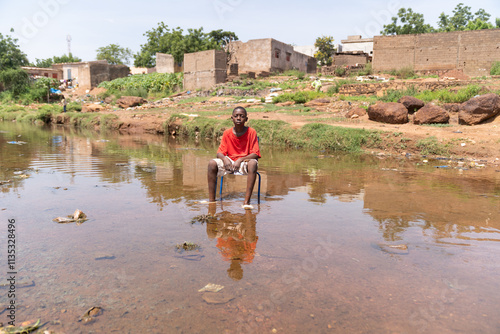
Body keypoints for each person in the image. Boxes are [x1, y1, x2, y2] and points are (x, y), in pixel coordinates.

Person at [207, 106, 260, 207]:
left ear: (246, 119)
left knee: (253, 163)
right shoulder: (227, 133)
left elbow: (255, 154)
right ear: (232, 118)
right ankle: (211, 200)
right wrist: (225, 159)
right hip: (230, 163)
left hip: (245, 161)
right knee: (212, 163)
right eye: (236, 116)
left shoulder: (251, 132)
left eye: (242, 116)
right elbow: (219, 152)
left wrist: (240, 160)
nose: (239, 118)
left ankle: (246, 202)